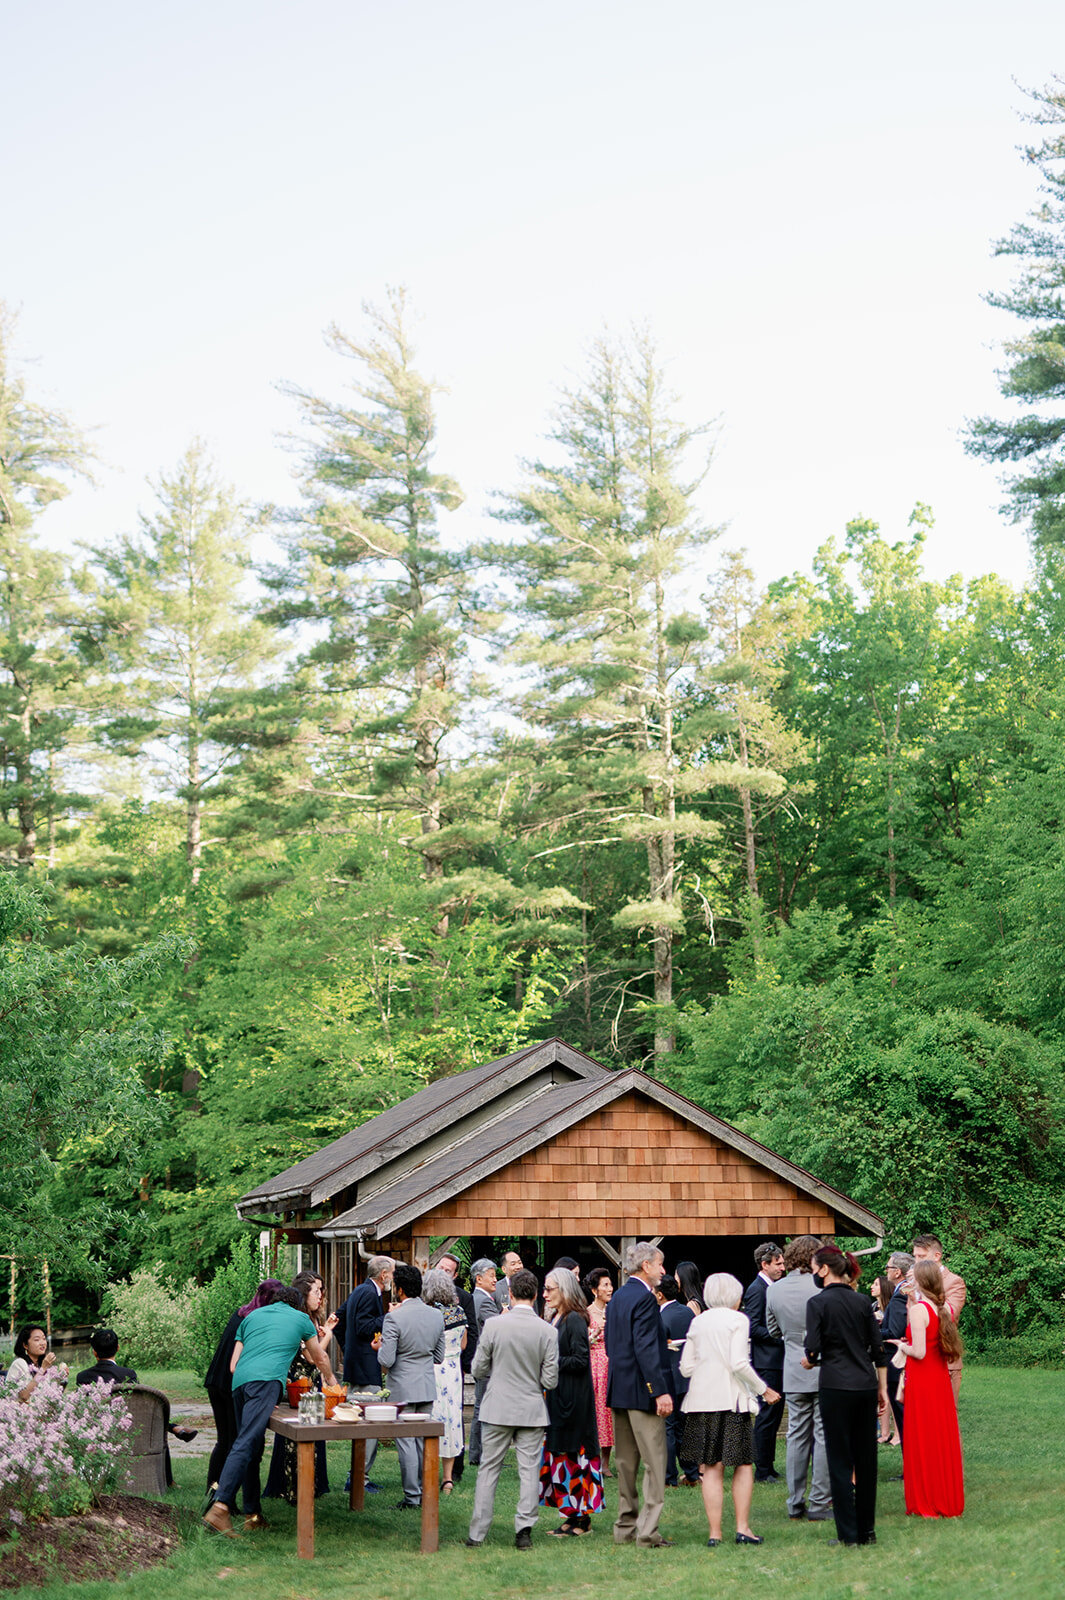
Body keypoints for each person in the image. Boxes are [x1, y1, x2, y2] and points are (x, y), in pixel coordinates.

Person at [203, 1285, 338, 1538]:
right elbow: (318, 1358)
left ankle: (252, 1513)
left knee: (252, 1447)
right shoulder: (300, 1318)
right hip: (264, 1383)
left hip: (239, 1384)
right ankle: (220, 1507)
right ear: (296, 1304)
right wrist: (333, 1384)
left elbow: (233, 1365)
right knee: (245, 1443)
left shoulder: (251, 1316)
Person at [679, 1271, 780, 1547]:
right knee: (744, 1464)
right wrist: (764, 1389)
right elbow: (738, 1363)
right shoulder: (738, 1320)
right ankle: (743, 1528)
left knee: (711, 1468)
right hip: (731, 1402)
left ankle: (715, 1533)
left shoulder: (698, 1322)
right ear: (734, 1296)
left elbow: (686, 1368)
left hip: (700, 1403)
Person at [802, 1245, 889, 1549]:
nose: (813, 1273)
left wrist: (811, 1359)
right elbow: (878, 1349)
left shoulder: (817, 1303)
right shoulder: (863, 1301)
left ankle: (848, 1535)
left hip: (836, 1385)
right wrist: (882, 1389)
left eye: (814, 1268)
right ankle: (868, 1531)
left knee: (840, 1460)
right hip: (865, 1383)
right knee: (866, 1458)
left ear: (824, 1269)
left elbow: (812, 1348)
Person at [465, 1268, 559, 1549]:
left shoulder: (494, 1325)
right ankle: (524, 1530)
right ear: (534, 1294)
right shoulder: (548, 1331)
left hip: (497, 1406)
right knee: (529, 1470)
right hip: (531, 1407)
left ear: (512, 1294)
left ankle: (477, 1533)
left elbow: (478, 1368)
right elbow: (550, 1379)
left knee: (488, 1468)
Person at [605, 1240, 673, 1548]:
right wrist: (659, 1391)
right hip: (643, 1393)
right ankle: (647, 1533)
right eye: (660, 1264)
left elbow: (612, 1345)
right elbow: (645, 1348)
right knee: (655, 1465)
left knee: (625, 1464)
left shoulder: (618, 1296)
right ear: (646, 1267)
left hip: (619, 1390)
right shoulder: (645, 1299)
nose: (663, 1270)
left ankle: (624, 1529)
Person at [765, 1235, 832, 1522]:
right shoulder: (822, 1288)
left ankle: (794, 1502)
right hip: (824, 1367)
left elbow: (772, 1331)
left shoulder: (775, 1290)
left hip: (792, 1367)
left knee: (795, 1436)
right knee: (823, 1436)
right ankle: (819, 1502)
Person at [202, 1277, 284, 1504]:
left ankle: (213, 1493)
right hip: (230, 1384)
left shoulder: (241, 1313)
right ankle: (221, 1499)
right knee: (236, 1443)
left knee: (225, 1441)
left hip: (215, 1381)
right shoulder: (255, 1320)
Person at [893, 1260, 964, 1518]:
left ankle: (926, 1500)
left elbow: (919, 1351)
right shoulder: (939, 1306)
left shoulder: (919, 1310)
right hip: (939, 1379)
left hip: (923, 1379)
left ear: (921, 1281)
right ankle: (944, 1495)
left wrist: (901, 1346)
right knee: (939, 1438)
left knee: (922, 1437)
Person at [263, 1271, 338, 1507]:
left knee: (315, 1431)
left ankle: (312, 1484)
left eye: (321, 1290)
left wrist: (324, 1328)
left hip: (311, 1381)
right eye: (317, 1290)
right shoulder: (298, 1317)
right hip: (300, 1382)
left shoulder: (312, 1318)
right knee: (298, 1432)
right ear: (304, 1293)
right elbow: (311, 1356)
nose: (321, 1295)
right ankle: (291, 1487)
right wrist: (329, 1335)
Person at [539, 1267, 603, 1536]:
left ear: (564, 1289)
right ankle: (570, 1514)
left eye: (549, 1289)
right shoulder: (559, 1317)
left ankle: (583, 1518)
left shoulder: (575, 1319)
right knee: (562, 1457)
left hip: (574, 1400)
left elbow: (580, 1359)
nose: (545, 1295)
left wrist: (549, 1362)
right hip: (559, 1396)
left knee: (575, 1457)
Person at [76, 1327, 198, 1466]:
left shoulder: (83, 1377)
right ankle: (173, 1430)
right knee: (156, 1419)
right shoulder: (127, 1374)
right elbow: (139, 1404)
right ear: (118, 1348)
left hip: (96, 1430)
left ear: (94, 1352)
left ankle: (174, 1428)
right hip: (127, 1428)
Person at [378, 1262, 446, 1509]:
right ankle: (423, 1489)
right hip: (426, 1384)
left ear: (400, 1290)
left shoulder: (393, 1318)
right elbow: (439, 1356)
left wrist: (380, 1347)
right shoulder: (436, 1315)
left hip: (402, 1387)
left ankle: (413, 1496)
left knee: (406, 1441)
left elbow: (387, 1359)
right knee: (420, 1440)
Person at [342, 1254, 393, 1492]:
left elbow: (340, 1318)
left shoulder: (359, 1290)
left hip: (357, 1364)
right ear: (384, 1275)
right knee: (370, 1425)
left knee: (362, 1424)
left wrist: (347, 1350)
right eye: (391, 1273)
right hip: (364, 1368)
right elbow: (363, 1327)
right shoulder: (369, 1293)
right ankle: (358, 1480)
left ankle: (357, 1478)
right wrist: (390, 1316)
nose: (392, 1278)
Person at [740, 1241, 786, 1484]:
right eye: (778, 1263)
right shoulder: (757, 1289)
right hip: (768, 1361)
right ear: (764, 1264)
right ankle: (762, 1469)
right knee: (767, 1417)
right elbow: (753, 1326)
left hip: (777, 1360)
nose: (782, 1267)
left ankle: (769, 1465)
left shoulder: (772, 1286)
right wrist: (780, 1337)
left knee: (775, 1416)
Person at [421, 1267, 467, 1494]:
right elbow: (464, 1344)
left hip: (433, 1369)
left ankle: (427, 1472)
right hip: (454, 1370)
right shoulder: (459, 1312)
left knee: (431, 1416)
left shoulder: (429, 1314)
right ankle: (447, 1478)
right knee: (452, 1420)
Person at [436, 1251, 478, 1483]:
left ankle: (456, 1468)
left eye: (448, 1270)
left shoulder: (464, 1299)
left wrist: (466, 1364)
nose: (443, 1273)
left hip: (454, 1365)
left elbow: (471, 1333)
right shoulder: (426, 1297)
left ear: (455, 1275)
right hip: (434, 1365)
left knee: (455, 1415)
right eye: (440, 1268)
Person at [912, 1234, 966, 1400]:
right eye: (915, 1256)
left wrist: (921, 1293)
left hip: (943, 1358)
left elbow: (948, 1314)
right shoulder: (914, 1283)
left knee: (946, 1417)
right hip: (918, 1359)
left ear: (937, 1256)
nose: (916, 1262)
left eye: (921, 1257)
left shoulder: (954, 1282)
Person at [656, 1275, 698, 1487]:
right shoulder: (688, 1312)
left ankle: (669, 1477)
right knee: (685, 1427)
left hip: (669, 1377)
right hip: (689, 1377)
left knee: (668, 1429)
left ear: (660, 1295)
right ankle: (691, 1473)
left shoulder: (660, 1318)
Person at [468, 1257, 500, 1466]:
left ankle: (477, 1453)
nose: (495, 1280)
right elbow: (497, 1329)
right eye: (492, 1276)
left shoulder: (477, 1298)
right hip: (487, 1362)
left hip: (484, 1362)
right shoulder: (484, 1301)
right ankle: (479, 1454)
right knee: (483, 1408)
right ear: (479, 1279)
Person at [879, 1251, 914, 1448]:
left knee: (902, 1416)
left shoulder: (901, 1296)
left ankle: (908, 1465)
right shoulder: (901, 1292)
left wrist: (874, 1330)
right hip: (895, 1359)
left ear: (898, 1272)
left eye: (888, 1267)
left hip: (894, 1361)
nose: (886, 1271)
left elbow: (895, 1331)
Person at [6, 1325, 68, 1402]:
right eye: (37, 1340)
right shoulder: (19, 1364)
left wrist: (62, 1380)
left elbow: (52, 1399)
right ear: (25, 1345)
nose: (42, 1343)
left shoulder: (40, 1365)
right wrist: (43, 1369)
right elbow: (24, 1396)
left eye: (44, 1339)